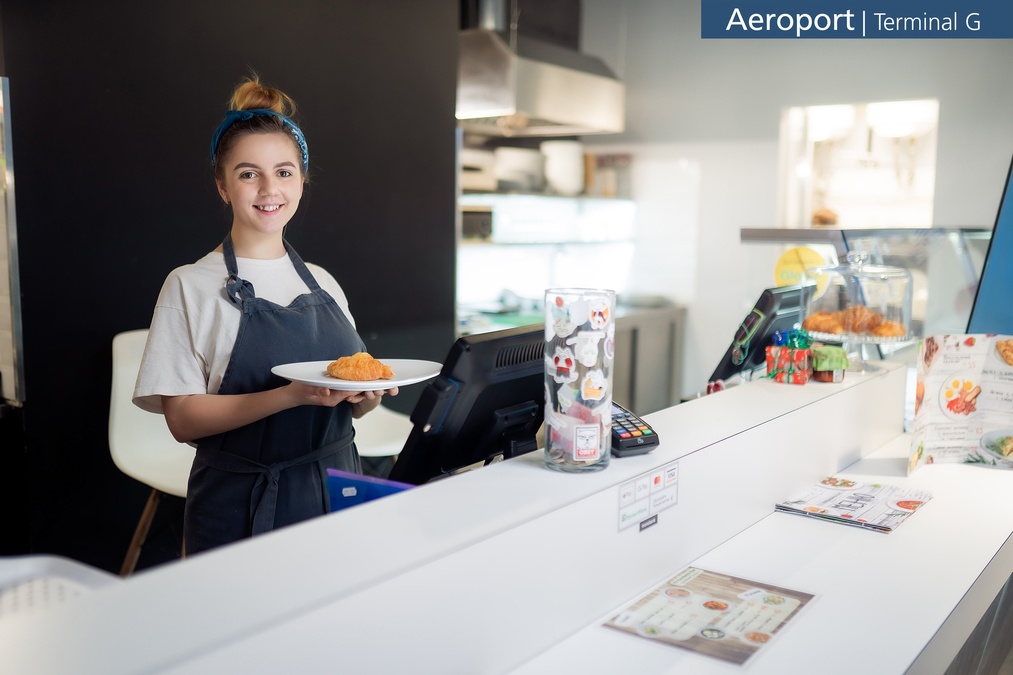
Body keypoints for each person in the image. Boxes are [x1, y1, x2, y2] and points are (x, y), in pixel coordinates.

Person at [133, 75, 397, 555]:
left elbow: (357, 405)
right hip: (242, 504)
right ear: (222, 185)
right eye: (248, 173)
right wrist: (290, 396)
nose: (269, 188)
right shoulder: (189, 285)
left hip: (335, 487)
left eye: (284, 171)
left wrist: (368, 393)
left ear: (301, 180)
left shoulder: (322, 282)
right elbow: (183, 420)